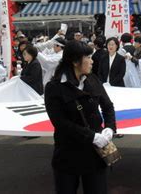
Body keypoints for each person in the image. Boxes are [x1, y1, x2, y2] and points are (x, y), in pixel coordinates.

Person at [45, 40, 116, 194]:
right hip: (68, 154)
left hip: (95, 154)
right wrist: (92, 136)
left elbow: (108, 106)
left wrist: (110, 128)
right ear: (75, 61)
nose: (92, 61)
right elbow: (60, 123)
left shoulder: (93, 80)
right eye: (88, 58)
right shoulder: (54, 88)